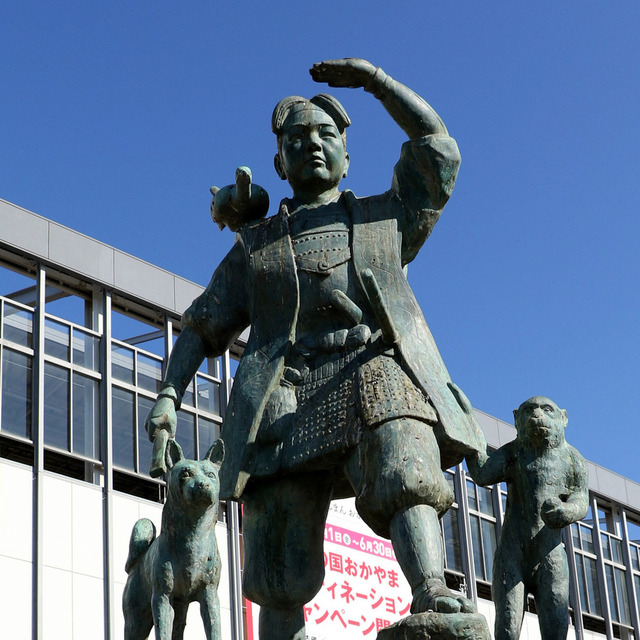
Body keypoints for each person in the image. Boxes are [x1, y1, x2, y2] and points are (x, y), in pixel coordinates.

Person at [146, 58, 486, 640]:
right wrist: (169, 395)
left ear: (347, 155)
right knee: (278, 565)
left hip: (372, 365)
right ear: (279, 163)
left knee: (405, 465)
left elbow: (438, 148)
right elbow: (203, 325)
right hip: (286, 390)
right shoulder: (257, 248)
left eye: (326, 134)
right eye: (296, 138)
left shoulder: (385, 218)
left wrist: (378, 83)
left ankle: (430, 589)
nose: (312, 144)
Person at [467, 397, 589, 640]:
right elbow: (482, 473)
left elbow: (581, 500)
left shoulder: (573, 458)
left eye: (547, 410)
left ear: (563, 418)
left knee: (556, 627)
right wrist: (469, 434)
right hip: (512, 554)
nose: (537, 415)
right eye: (529, 410)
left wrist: (567, 511)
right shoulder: (513, 452)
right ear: (516, 419)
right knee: (507, 626)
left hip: (550, 555)